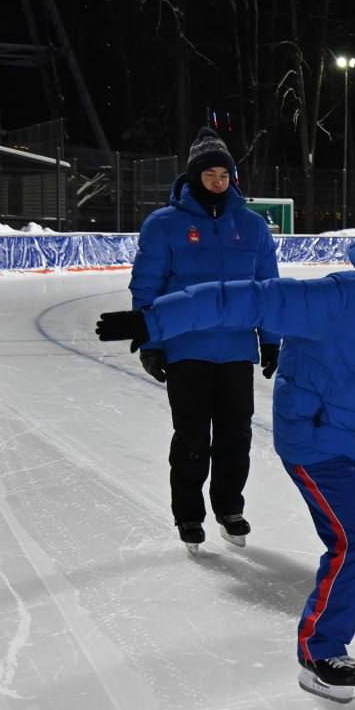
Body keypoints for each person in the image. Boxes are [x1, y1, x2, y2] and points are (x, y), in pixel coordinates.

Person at [97, 198, 355, 703]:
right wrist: (154, 321)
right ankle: (319, 653)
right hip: (314, 437)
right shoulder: (338, 298)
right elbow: (246, 299)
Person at [128, 126, 280, 553]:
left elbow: (268, 287)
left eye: (224, 174)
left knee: (236, 437)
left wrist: (270, 340)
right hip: (185, 348)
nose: (218, 181)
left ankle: (230, 507)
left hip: (234, 350)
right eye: (210, 173)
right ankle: (189, 515)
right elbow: (147, 288)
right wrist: (151, 341)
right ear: (195, 176)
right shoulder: (164, 226)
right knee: (193, 438)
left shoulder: (251, 227)